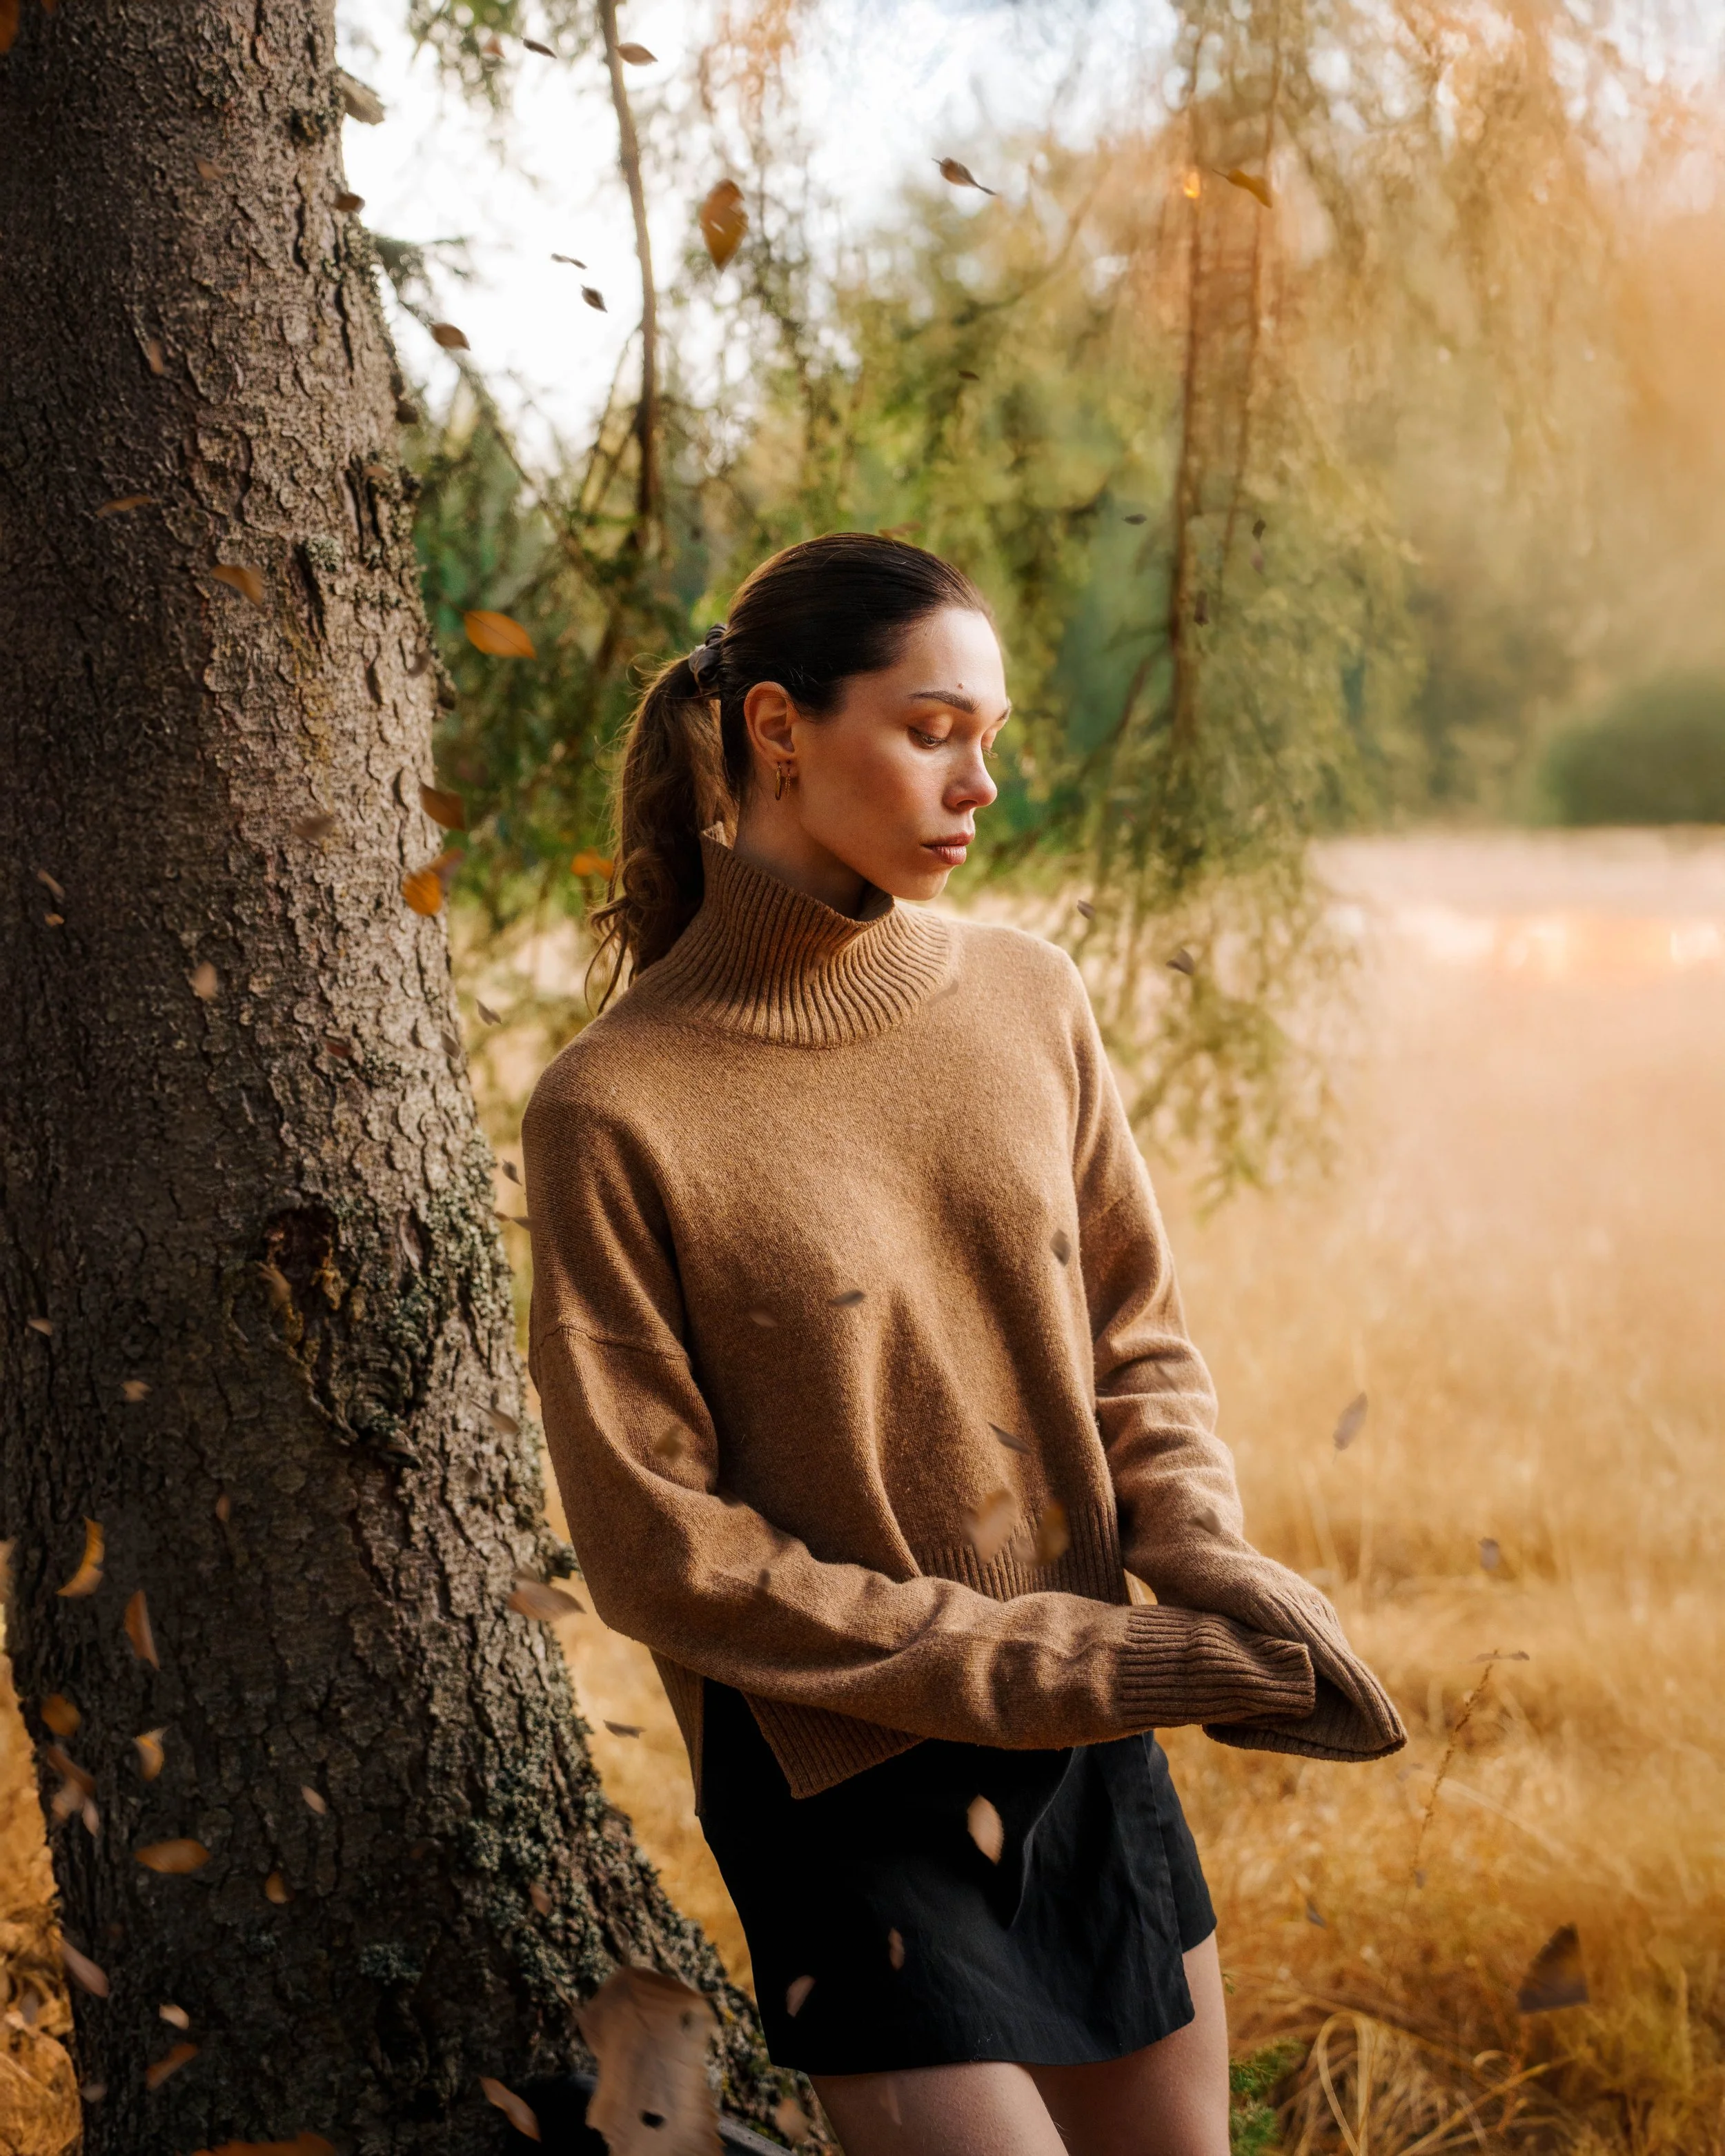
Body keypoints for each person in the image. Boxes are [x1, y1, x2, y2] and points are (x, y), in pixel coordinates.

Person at [522, 533, 1404, 2156]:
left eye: (989, 738)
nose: (977, 782)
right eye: (932, 730)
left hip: (1086, 1746)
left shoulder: (1024, 993)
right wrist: (1100, 1658)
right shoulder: (614, 1104)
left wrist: (1204, 1559)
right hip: (838, 1782)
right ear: (777, 726)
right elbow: (661, 1554)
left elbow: (1134, 1338)